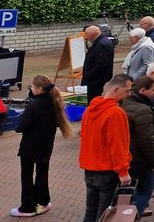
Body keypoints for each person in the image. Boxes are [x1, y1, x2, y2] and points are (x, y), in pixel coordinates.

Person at [11, 76, 72, 217]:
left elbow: (22, 127)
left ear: (39, 89)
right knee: (42, 173)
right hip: (46, 147)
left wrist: (18, 127)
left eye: (31, 87)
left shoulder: (33, 106)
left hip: (29, 147)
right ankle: (43, 202)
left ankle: (27, 207)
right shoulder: (55, 103)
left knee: (26, 175)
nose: (31, 90)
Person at [80, 74, 133, 222]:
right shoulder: (116, 113)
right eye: (127, 90)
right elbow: (118, 145)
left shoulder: (90, 109)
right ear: (116, 89)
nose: (129, 94)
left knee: (90, 210)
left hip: (90, 168)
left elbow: (84, 136)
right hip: (107, 169)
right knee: (105, 213)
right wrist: (123, 171)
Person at [120, 76, 154, 216]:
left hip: (122, 158)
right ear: (143, 90)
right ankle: (131, 217)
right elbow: (146, 141)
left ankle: (120, 215)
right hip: (138, 159)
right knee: (144, 191)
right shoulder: (143, 110)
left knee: (124, 193)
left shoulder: (121, 103)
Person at [82, 25, 115, 104]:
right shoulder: (102, 41)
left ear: (91, 35)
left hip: (96, 79)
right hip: (97, 78)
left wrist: (89, 74)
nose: (86, 38)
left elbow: (102, 64)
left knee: (94, 100)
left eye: (86, 35)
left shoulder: (101, 45)